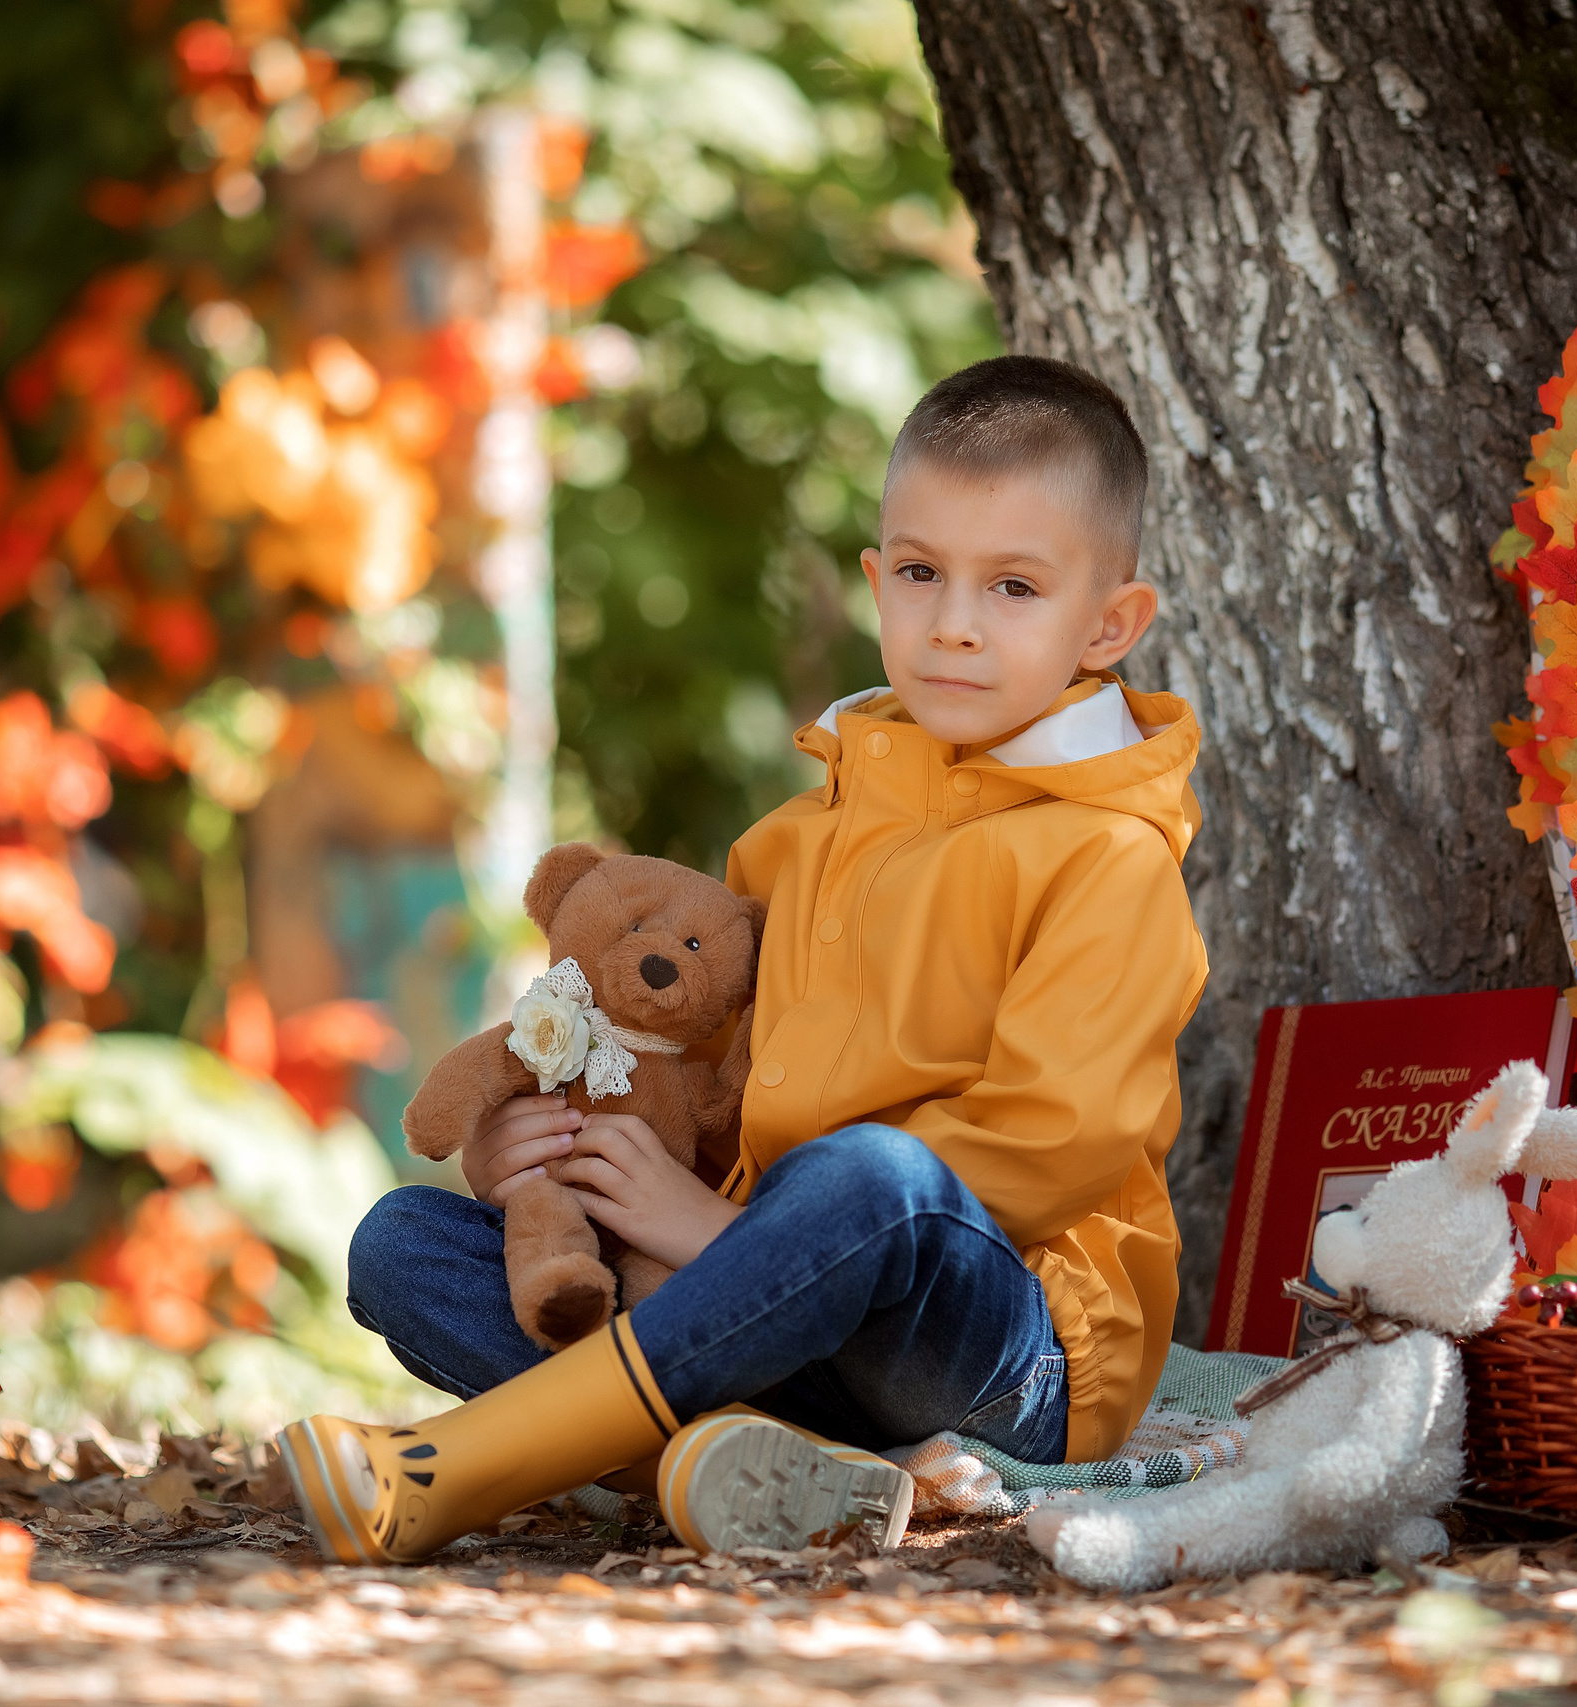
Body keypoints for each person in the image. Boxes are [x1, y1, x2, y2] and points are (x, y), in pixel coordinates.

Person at [278, 355, 1210, 1564]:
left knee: (875, 1177)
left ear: (1108, 624)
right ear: (878, 582)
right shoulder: (794, 838)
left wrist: (727, 1242)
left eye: (1014, 587)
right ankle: (818, 1478)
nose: (956, 622)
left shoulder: (1106, 857)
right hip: (772, 1323)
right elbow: (710, 1086)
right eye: (921, 573)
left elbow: (1048, 1149)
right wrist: (544, 1148)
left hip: (1001, 1349)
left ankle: (471, 1465)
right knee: (404, 1246)